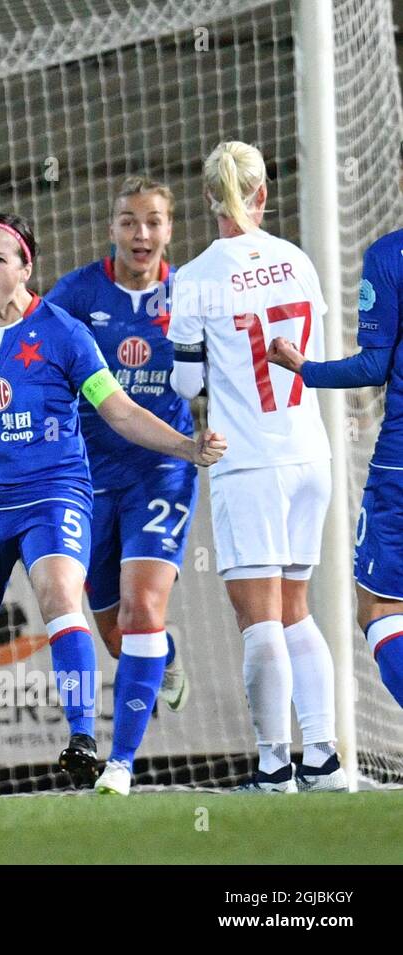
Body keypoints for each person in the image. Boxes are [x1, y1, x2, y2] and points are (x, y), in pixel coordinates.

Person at [0, 212, 224, 796]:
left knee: (57, 595)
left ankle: (81, 740)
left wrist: (187, 445)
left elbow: (118, 410)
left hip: (54, 491)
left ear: (25, 269)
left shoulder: (64, 333)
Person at [169, 141, 345, 793]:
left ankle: (274, 765)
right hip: (309, 453)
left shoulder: (196, 278)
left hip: (248, 462)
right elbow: (318, 360)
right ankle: (323, 758)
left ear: (208, 197)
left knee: (260, 618)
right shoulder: (299, 261)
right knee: (296, 608)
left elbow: (188, 384)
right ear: (263, 193)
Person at [46, 176, 196, 796]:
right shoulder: (77, 294)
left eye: (154, 221)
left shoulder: (190, 293)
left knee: (142, 608)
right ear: (112, 228)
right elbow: (38, 350)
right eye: (130, 221)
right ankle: (167, 652)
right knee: (118, 634)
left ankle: (121, 764)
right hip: (89, 477)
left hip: (160, 468)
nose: (142, 234)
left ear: (169, 228)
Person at [268, 225, 403, 712]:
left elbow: (372, 367)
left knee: (381, 608)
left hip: (400, 466)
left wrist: (305, 368)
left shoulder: (390, 255)